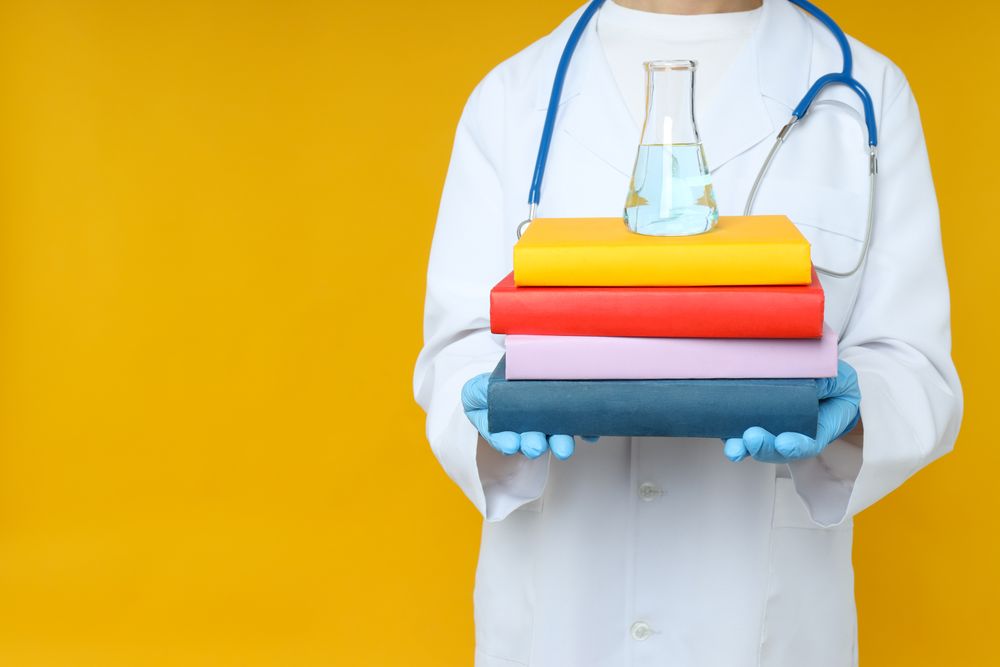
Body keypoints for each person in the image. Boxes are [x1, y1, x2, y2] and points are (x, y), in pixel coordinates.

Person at [413, 0, 963, 664]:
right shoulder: (512, 98)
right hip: (559, 620)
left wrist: (849, 411)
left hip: (766, 628)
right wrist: (489, 408)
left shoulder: (864, 94)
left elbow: (914, 364)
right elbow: (458, 345)